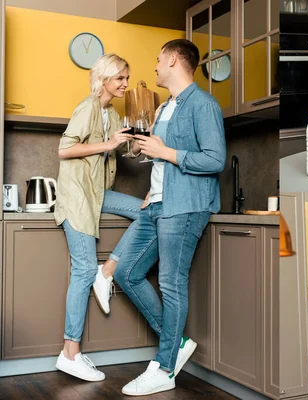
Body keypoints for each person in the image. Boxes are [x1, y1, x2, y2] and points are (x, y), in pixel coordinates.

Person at [114, 39, 226, 396]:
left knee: (171, 283)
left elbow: (214, 159)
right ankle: (175, 343)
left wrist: (166, 152)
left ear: (175, 60)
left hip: (187, 205)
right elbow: (161, 157)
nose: (155, 66)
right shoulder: (165, 108)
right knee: (125, 272)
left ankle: (164, 368)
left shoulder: (203, 104)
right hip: (158, 202)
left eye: (159, 60)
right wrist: (142, 149)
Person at [53, 54, 143, 382]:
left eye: (126, 77)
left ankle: (107, 272)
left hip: (99, 195)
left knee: (147, 212)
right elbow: (64, 149)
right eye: (120, 77)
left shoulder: (112, 112)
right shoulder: (88, 106)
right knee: (81, 271)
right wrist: (109, 142)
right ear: (103, 79)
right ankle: (70, 353)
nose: (125, 83)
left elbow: (113, 150)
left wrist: (130, 144)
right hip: (78, 199)